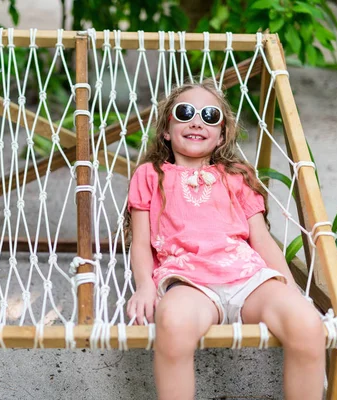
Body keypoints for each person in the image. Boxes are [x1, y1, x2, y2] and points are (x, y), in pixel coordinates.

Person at [125, 81, 325, 400]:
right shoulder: (150, 175)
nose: (197, 121)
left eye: (210, 115)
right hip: (190, 283)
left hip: (249, 279)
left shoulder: (237, 176)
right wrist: (145, 286)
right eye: (185, 112)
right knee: (173, 324)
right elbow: (141, 242)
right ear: (166, 130)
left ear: (221, 135)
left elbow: (260, 238)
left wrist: (289, 285)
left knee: (306, 324)